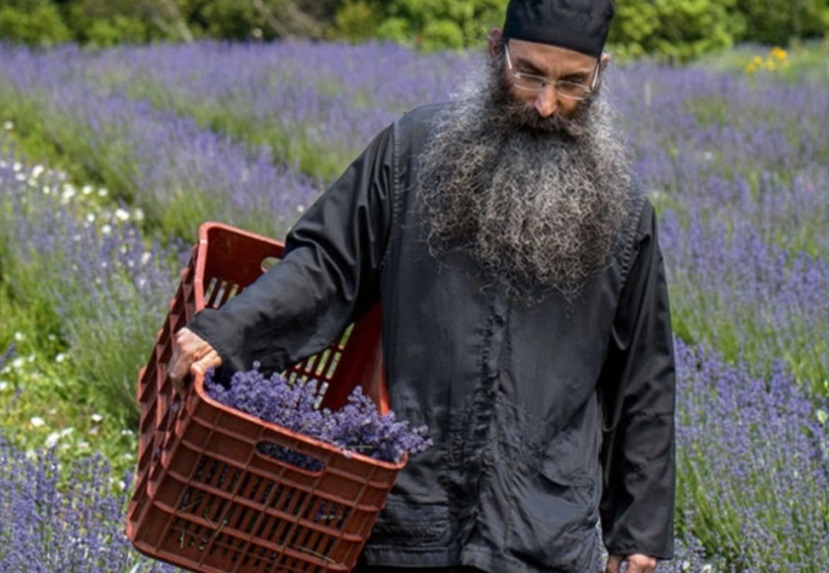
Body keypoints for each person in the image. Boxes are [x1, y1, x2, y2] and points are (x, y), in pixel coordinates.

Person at [166, 0, 676, 571]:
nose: (546, 104)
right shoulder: (413, 150)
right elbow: (328, 263)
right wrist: (232, 330)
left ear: (600, 73)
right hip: (409, 511)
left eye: (573, 84)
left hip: (545, 527)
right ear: (494, 52)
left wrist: (639, 528)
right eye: (528, 73)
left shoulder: (624, 211)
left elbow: (644, 374)